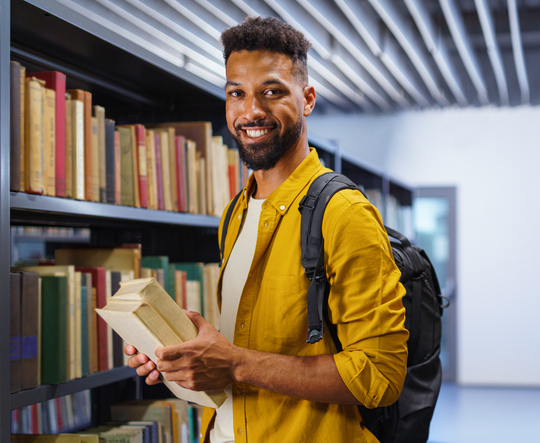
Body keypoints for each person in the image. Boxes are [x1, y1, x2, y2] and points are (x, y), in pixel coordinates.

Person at [125, 16, 409, 442]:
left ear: (308, 98)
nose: (251, 110)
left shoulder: (343, 213)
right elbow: (238, 369)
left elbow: (380, 376)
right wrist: (182, 361)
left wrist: (235, 362)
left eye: (271, 92)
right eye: (236, 93)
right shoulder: (236, 212)